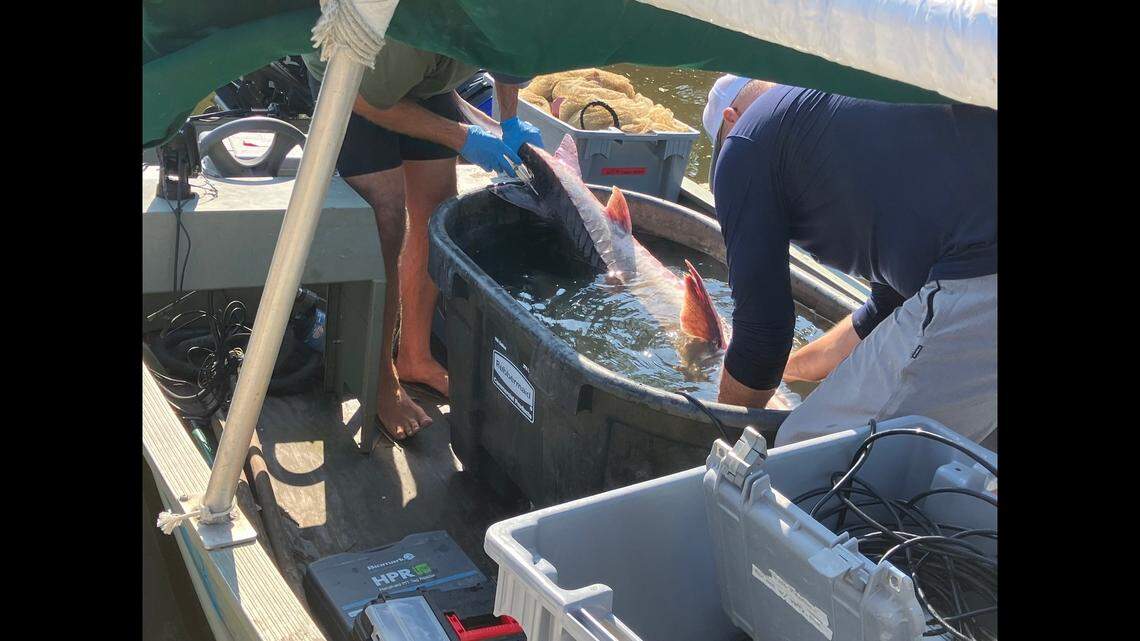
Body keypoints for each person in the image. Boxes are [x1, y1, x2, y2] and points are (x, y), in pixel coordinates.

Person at [702, 75, 997, 450]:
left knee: (804, 452)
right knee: (971, 470)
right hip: (975, 268)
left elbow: (763, 336)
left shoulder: (744, 143)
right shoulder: (842, 112)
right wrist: (788, 371)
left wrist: (717, 447)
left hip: (981, 273)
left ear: (731, 118)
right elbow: (879, 315)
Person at [302, 43, 543, 441]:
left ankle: (414, 355)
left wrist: (511, 119)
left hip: (425, 77)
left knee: (439, 216)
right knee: (386, 218)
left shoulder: (519, 20)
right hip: (357, 74)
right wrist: (462, 137)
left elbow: (510, 57)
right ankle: (378, 379)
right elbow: (362, 97)